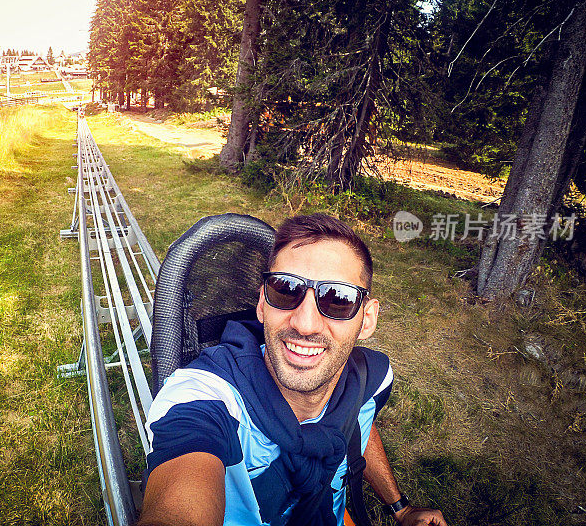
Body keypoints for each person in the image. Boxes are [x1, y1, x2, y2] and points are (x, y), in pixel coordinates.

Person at [139, 213, 447, 526]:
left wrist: (402, 509)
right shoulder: (206, 400)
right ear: (262, 303)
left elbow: (357, 420)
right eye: (285, 290)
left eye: (337, 298)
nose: (305, 324)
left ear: (366, 319)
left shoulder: (368, 382)